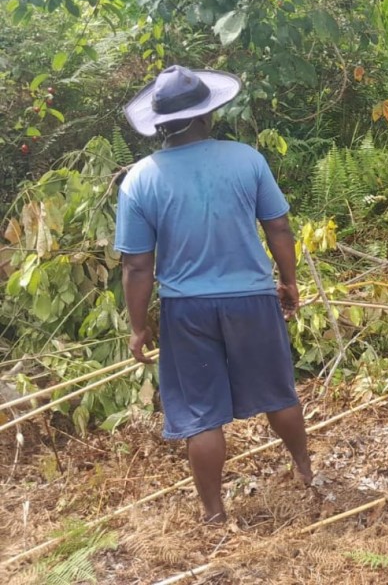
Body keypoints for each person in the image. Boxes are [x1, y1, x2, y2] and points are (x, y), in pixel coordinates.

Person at [115, 65, 312, 523]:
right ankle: (304, 469)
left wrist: (138, 327)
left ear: (159, 123)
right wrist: (289, 280)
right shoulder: (246, 160)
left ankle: (213, 513)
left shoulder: (140, 179)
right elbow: (278, 226)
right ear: (208, 115)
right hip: (252, 300)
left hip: (187, 310)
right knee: (278, 393)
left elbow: (137, 264)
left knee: (201, 415)